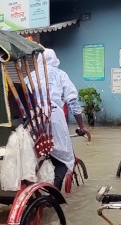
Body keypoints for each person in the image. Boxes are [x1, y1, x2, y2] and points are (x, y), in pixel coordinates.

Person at [39, 49, 91, 190]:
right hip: (53, 119)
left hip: (32, 121)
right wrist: (81, 126)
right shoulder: (60, 75)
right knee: (63, 160)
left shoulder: (30, 76)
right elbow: (72, 102)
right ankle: (54, 193)